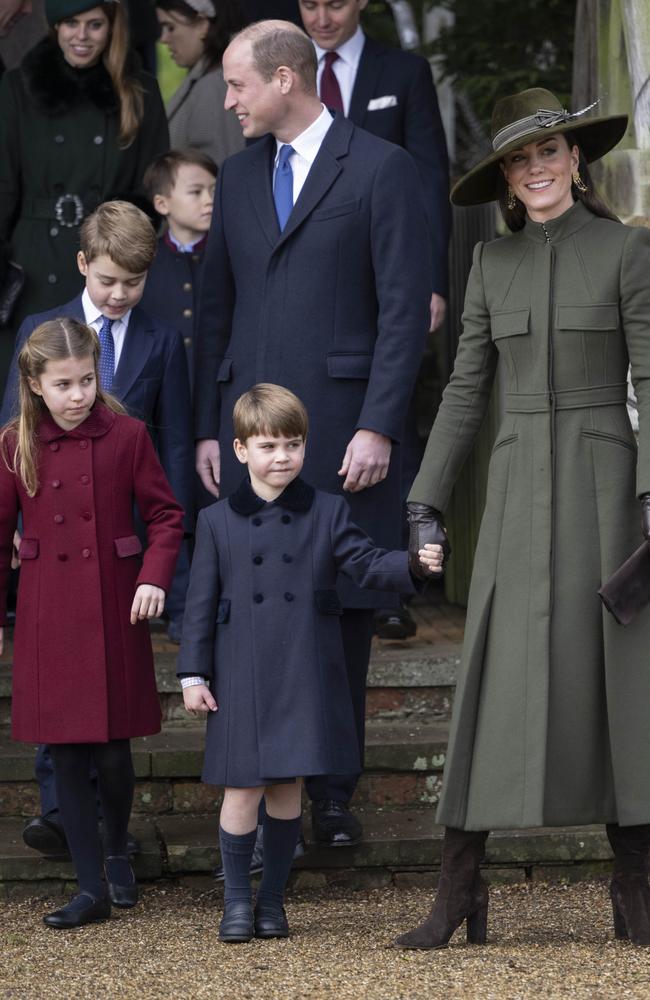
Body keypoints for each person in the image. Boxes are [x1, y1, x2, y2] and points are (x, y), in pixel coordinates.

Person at [394, 87, 650, 950]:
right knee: (493, 677)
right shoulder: (489, 268)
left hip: (607, 488)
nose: (536, 169)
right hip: (513, 489)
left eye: (549, 153)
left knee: (617, 677)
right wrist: (424, 499)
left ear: (577, 160)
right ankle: (459, 888)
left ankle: (637, 891)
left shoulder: (626, 252)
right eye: (519, 159)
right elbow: (465, 393)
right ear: (505, 178)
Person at [194, 20, 431, 851]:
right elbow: (215, 313)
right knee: (252, 619)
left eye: (237, 85)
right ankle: (255, 799)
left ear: (287, 78)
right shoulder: (235, 176)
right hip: (248, 440)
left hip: (340, 442)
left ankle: (331, 799)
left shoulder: (382, 168)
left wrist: (378, 426)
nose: (227, 101)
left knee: (340, 617)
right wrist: (206, 430)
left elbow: (404, 314)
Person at [178, 383, 442, 941]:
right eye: (269, 445)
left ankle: (272, 902)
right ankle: (235, 903)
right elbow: (199, 604)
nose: (282, 457)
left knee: (286, 790)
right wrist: (193, 674)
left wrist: (413, 566)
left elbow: (366, 563)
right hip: (240, 673)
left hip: (301, 668)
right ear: (241, 450)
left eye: (293, 445)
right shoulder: (217, 521)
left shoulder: (327, 510)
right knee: (241, 789)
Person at [1, 200, 194, 856]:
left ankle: (104, 832)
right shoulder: (38, 328)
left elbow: (174, 450)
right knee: (57, 688)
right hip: (53, 552)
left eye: (132, 284)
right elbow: (14, 436)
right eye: (107, 280)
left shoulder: (163, 340)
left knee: (109, 700)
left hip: (119, 544)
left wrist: (162, 565)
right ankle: (59, 812)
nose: (117, 295)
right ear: (82, 265)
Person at [298, 0, 451, 640]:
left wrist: (432, 283)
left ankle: (394, 583)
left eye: (335, 2)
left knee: (392, 422)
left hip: (393, 271)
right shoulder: (284, 70)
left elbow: (429, 174)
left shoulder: (403, 71)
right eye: (309, 3)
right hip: (323, 278)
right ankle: (321, 575)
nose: (322, 16)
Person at [0, 0, 169, 361]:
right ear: (55, 27)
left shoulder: (140, 91)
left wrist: (122, 255)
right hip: (33, 262)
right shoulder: (18, 88)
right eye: (70, 23)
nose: (81, 36)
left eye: (94, 25)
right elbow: (3, 186)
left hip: (105, 261)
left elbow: (151, 187)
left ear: (112, 29)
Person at [140, 148, 217, 379]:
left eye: (214, 190)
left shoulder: (231, 254)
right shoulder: (145, 261)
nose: (209, 200)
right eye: (196, 192)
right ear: (162, 204)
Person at [156, 0, 245, 166]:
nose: (163, 38)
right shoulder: (206, 79)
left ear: (203, 25)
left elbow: (217, 169)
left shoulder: (213, 87)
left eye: (170, 27)